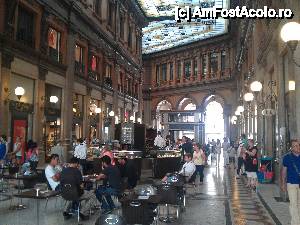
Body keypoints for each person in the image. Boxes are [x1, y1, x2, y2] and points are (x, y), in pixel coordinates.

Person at [281, 139, 300, 225]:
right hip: (291, 184)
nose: (298, 147)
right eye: (295, 146)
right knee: (293, 204)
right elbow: (284, 172)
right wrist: (283, 184)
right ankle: (295, 223)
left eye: (298, 145)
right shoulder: (287, 157)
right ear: (291, 148)